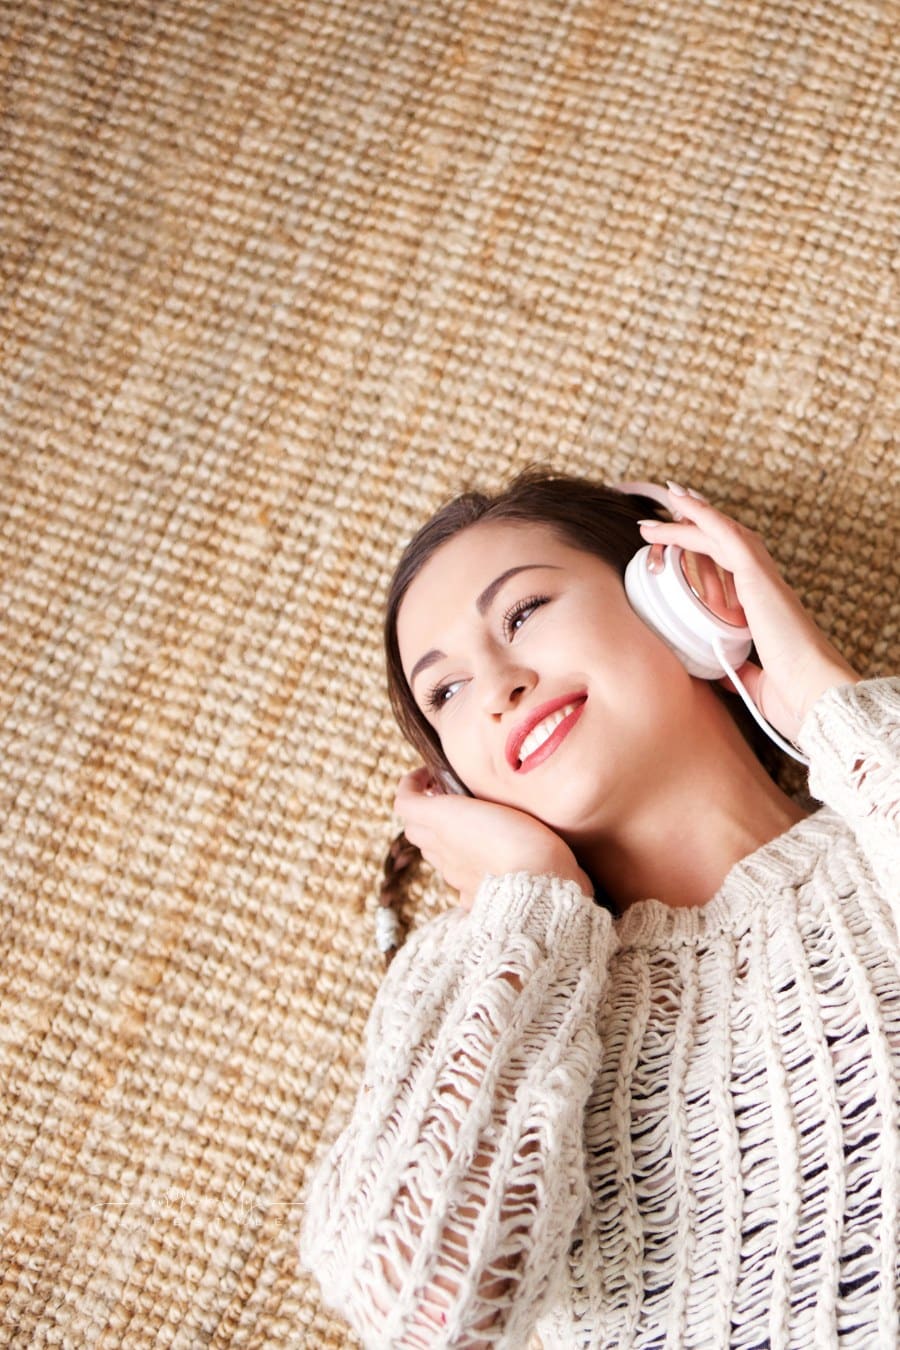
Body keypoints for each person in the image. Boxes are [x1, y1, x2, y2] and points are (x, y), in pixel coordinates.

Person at [300, 468, 899, 1349]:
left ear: (674, 602)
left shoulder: (880, 804)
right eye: (446, 693)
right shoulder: (487, 982)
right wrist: (526, 902)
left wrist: (824, 701)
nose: (496, 686)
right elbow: (421, 1308)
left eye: (523, 613)